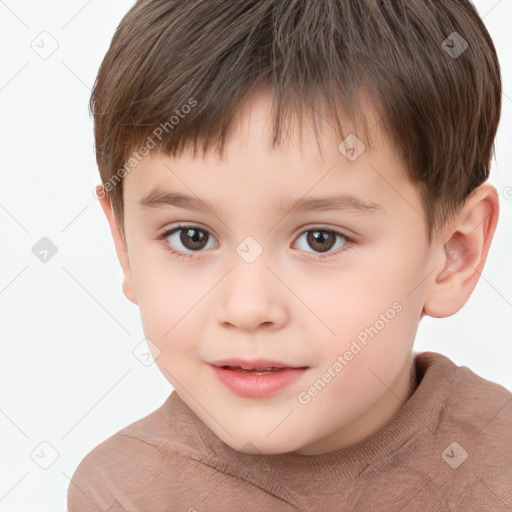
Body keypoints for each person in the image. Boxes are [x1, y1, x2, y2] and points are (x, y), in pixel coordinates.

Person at [67, 0, 511, 510]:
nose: (247, 308)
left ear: (454, 253)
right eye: (191, 236)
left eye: (321, 239)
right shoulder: (125, 493)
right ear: (124, 244)